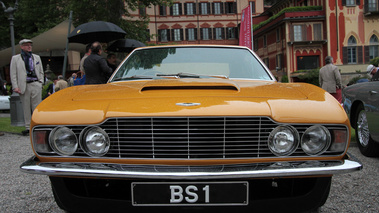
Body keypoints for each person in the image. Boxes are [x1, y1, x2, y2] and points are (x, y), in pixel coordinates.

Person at [10, 39, 44, 135]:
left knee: (36, 106)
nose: (29, 47)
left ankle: (37, 125)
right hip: (24, 85)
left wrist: (40, 81)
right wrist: (15, 86)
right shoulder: (16, 58)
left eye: (30, 45)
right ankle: (28, 127)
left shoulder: (36, 57)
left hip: (35, 83)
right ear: (21, 46)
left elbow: (41, 71)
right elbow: (13, 74)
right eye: (26, 45)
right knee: (26, 107)